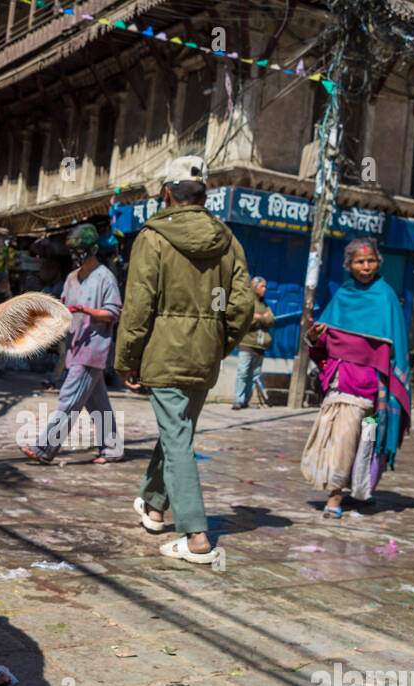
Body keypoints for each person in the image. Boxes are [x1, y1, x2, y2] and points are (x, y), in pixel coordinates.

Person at [115, 155, 253, 565]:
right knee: (177, 434)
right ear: (205, 195)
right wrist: (218, 342)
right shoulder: (228, 240)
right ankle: (153, 506)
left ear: (167, 193)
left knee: (177, 440)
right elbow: (241, 305)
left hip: (165, 353)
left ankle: (196, 537)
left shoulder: (153, 237)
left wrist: (127, 358)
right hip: (204, 356)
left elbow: (139, 304)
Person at [299, 239, 412, 518]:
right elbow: (321, 341)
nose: (366, 266)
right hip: (343, 383)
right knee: (342, 437)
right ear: (348, 266)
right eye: (359, 262)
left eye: (371, 260)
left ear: (378, 262)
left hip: (375, 387)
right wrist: (313, 337)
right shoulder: (342, 296)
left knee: (368, 441)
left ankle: (360, 490)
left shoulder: (385, 296)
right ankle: (335, 497)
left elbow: (396, 344)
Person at [20, 224, 124, 465]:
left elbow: (113, 312)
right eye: (73, 251)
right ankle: (112, 448)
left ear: (93, 250)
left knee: (69, 399)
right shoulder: (70, 278)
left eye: (81, 250)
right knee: (98, 403)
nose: (77, 255)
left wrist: (84, 311)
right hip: (74, 346)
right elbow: (63, 308)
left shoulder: (105, 278)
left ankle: (45, 448)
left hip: (94, 348)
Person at [231, 277, 274, 409]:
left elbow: (271, 320)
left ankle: (246, 400)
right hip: (247, 343)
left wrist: (257, 317)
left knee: (254, 375)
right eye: (262, 286)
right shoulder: (248, 303)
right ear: (254, 288)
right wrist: (261, 318)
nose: (265, 289)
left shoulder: (265, 305)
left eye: (265, 287)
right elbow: (245, 320)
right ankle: (238, 399)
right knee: (243, 372)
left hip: (260, 345)